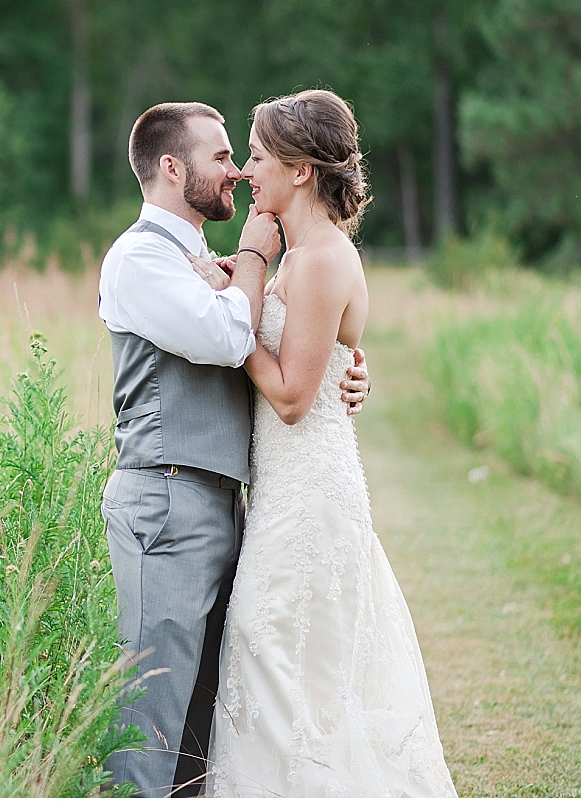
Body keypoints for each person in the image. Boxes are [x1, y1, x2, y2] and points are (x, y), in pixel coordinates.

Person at [97, 102, 370, 798]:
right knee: (150, 710)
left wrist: (345, 366)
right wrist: (251, 260)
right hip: (166, 498)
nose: (237, 171)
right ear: (169, 167)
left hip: (228, 505)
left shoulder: (204, 261)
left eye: (239, 155)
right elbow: (225, 338)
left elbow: (286, 348)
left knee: (210, 727)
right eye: (221, 156)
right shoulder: (140, 258)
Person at [203, 90, 456, 797]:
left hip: (308, 498)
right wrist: (235, 279)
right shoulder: (300, 258)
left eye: (256, 156)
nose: (248, 171)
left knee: (272, 654)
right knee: (285, 666)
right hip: (295, 491)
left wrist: (236, 326)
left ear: (299, 170)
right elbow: (325, 354)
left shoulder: (318, 261)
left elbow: (288, 397)